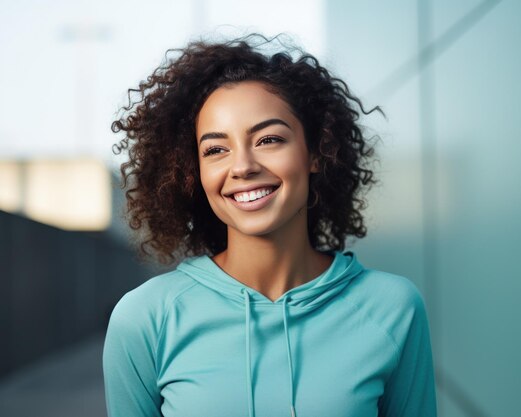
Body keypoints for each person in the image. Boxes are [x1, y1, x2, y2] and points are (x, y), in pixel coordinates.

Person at [103, 34, 437, 417]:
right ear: (194, 171)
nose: (243, 166)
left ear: (315, 152)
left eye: (269, 139)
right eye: (216, 149)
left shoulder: (393, 307)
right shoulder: (146, 318)